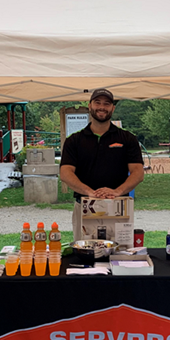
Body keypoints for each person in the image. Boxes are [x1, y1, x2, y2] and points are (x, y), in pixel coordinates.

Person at [60, 88, 144, 238]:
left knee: (119, 253)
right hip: (85, 205)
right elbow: (65, 173)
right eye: (97, 102)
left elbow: (138, 172)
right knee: (84, 253)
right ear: (90, 105)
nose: (102, 107)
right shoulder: (74, 141)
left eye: (106, 103)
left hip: (119, 205)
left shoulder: (128, 138)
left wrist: (117, 191)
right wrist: (90, 192)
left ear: (113, 108)